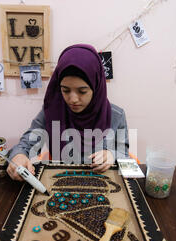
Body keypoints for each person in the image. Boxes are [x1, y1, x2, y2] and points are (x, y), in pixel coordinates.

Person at [7, 44, 130, 181]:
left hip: (102, 184)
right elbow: (26, 145)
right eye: (65, 90)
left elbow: (124, 154)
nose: (73, 99)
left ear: (97, 87)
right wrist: (18, 156)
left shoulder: (116, 116)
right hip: (61, 183)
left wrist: (111, 155)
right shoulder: (52, 112)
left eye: (82, 91)